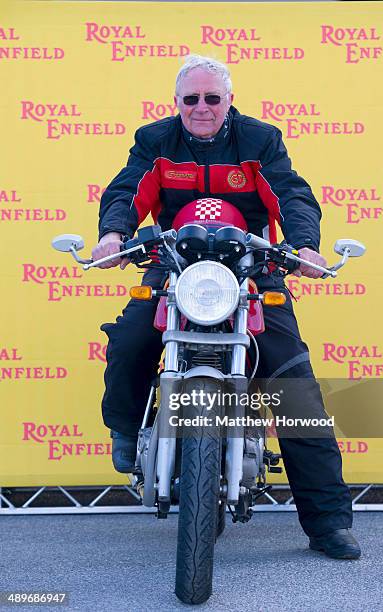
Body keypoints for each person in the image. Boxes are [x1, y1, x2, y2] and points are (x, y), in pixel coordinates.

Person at [92, 55, 361, 560]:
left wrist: (305, 245)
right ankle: (126, 428)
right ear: (177, 103)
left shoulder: (260, 140)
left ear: (229, 100)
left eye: (212, 98)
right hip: (174, 265)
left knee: (293, 385)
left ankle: (329, 524)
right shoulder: (155, 141)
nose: (201, 108)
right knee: (130, 338)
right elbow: (128, 189)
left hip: (252, 268)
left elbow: (291, 194)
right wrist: (113, 234)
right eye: (190, 99)